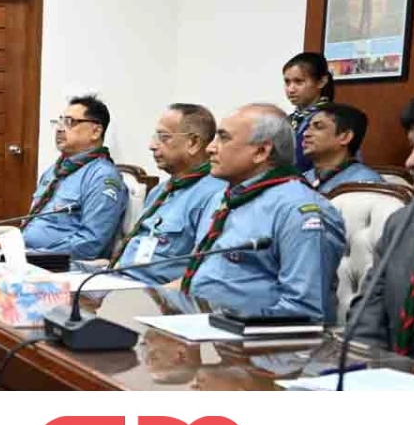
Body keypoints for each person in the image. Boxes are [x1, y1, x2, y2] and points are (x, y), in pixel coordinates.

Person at [175, 103, 345, 322]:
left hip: (251, 337)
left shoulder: (298, 210)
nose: (210, 148)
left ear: (262, 151)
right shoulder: (224, 198)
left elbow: (304, 310)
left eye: (224, 138)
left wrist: (229, 324)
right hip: (196, 321)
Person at [350, 88, 414, 361]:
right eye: (413, 147)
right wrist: (364, 367)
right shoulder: (402, 222)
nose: (411, 162)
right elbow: (369, 311)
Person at [111, 104, 226, 285]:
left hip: (156, 293)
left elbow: (201, 272)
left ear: (193, 143)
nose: (152, 146)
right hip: (121, 281)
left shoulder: (215, 195)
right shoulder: (160, 191)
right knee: (63, 288)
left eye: (163, 137)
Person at [22, 95, 127, 259]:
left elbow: (90, 242)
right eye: (59, 122)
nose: (59, 129)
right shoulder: (54, 171)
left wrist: (38, 256)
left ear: (96, 132)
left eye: (69, 122)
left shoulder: (102, 177)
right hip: (26, 254)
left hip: (58, 264)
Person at [301, 102, 383, 193]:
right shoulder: (302, 179)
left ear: (345, 137)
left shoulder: (365, 183)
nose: (305, 133)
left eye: (318, 127)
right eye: (308, 127)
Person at [283, 52, 335, 172]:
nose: (291, 89)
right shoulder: (287, 121)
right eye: (287, 82)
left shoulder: (334, 119)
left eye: (299, 82)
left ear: (321, 82)